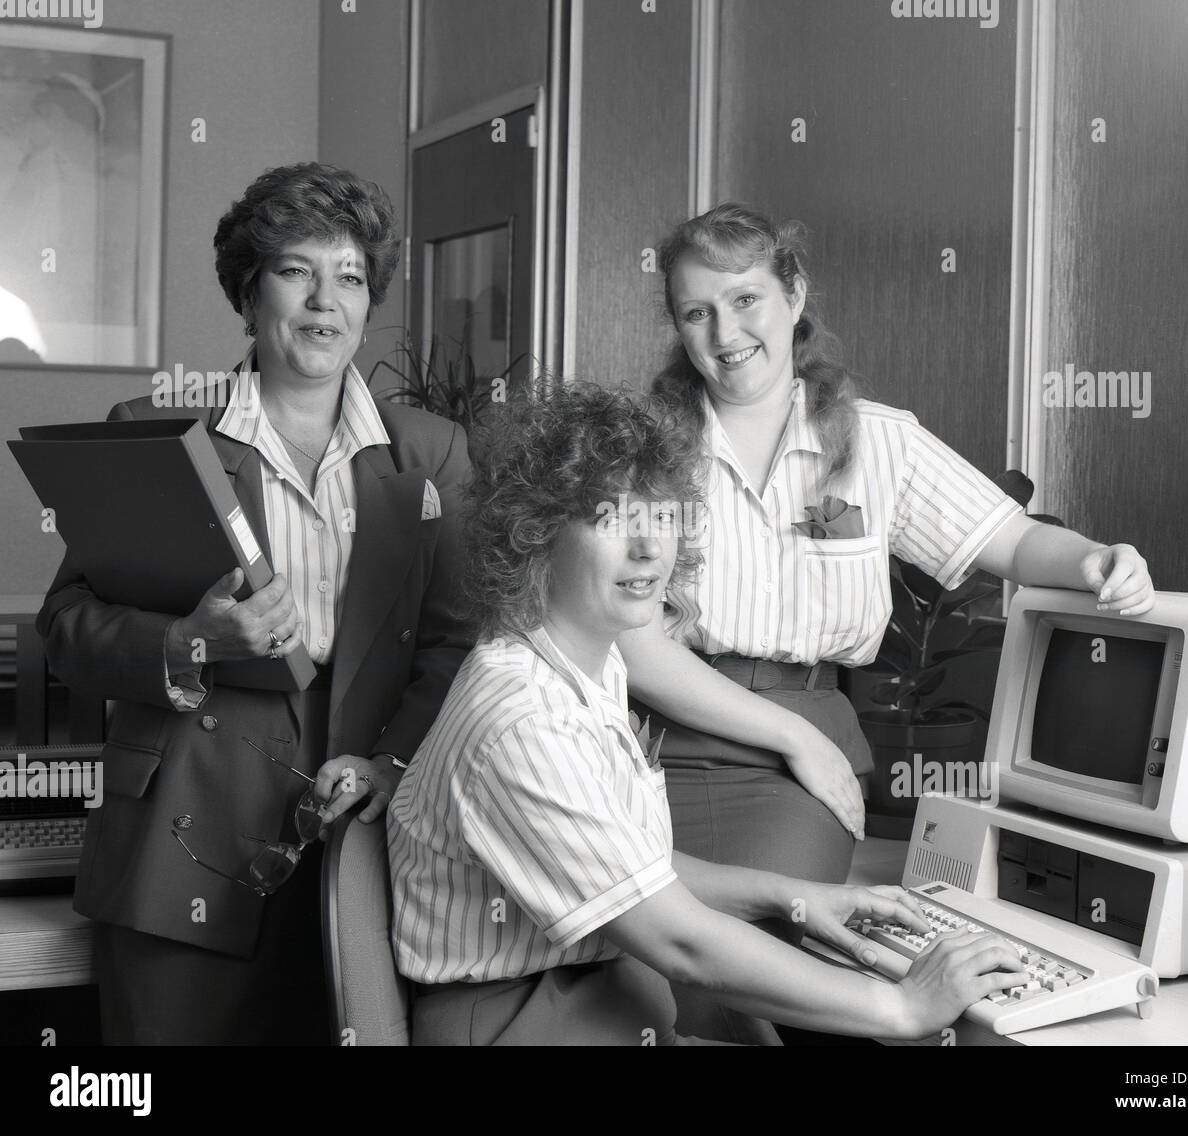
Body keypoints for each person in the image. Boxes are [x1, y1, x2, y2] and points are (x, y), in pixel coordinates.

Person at [386, 381, 1030, 1045]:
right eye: (610, 517)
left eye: (660, 516)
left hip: (592, 995)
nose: (647, 548)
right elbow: (680, 943)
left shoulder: (588, 661)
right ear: (537, 533)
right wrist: (902, 1009)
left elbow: (635, 872)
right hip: (517, 1021)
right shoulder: (524, 716)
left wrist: (799, 900)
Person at [37, 162, 472, 1045]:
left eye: (348, 276)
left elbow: (459, 644)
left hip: (362, 841)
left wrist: (392, 764)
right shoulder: (157, 432)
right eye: (294, 270)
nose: (324, 301)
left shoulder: (433, 451)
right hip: (182, 838)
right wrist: (190, 641)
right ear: (248, 292)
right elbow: (66, 629)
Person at [620, 202, 1155, 894]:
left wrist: (1097, 560)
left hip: (797, 761)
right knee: (636, 954)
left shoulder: (880, 443)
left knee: (750, 938)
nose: (726, 334)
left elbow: (1014, 541)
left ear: (794, 294)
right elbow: (629, 642)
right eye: (697, 313)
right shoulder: (640, 452)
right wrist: (793, 737)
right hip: (656, 740)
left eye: (745, 298)